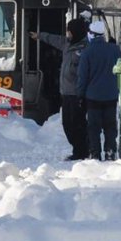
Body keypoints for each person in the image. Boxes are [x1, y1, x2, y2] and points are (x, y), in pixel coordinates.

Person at [33, 18, 90, 160]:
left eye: (69, 31)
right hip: (65, 93)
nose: (68, 33)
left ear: (76, 31)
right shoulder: (66, 43)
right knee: (67, 124)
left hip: (77, 94)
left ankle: (81, 152)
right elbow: (53, 39)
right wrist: (39, 35)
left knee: (78, 124)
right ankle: (79, 149)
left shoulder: (86, 48)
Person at [76, 21, 121, 160]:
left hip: (93, 97)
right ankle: (110, 151)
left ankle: (95, 153)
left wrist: (80, 95)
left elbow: (82, 76)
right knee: (110, 126)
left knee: (94, 128)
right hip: (111, 95)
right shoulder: (115, 50)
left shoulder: (87, 53)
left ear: (91, 34)